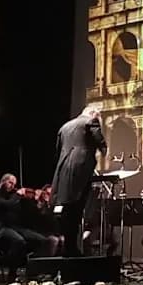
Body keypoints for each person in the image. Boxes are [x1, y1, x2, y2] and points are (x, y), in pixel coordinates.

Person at [51, 104, 108, 257]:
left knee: (67, 209)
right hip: (81, 170)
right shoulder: (91, 121)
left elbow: (58, 152)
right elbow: (99, 141)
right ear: (94, 114)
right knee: (77, 208)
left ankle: (69, 247)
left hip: (63, 171)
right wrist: (103, 150)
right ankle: (72, 249)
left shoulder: (64, 127)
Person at [0, 174, 51, 279]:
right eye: (10, 183)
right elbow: (6, 205)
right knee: (19, 241)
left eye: (14, 184)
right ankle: (12, 271)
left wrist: (37, 200)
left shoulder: (12, 195)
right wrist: (18, 195)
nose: (12, 186)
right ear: (3, 181)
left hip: (13, 227)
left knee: (42, 240)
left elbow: (29, 211)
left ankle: (34, 270)